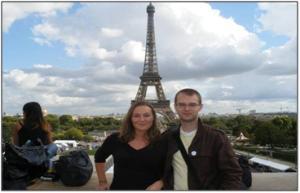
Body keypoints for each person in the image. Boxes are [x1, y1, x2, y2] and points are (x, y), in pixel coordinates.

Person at [162, 88, 242, 190]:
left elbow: (232, 174)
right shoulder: (167, 137)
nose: (186, 109)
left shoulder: (217, 138)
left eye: (192, 105)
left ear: (200, 107)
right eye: (181, 104)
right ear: (175, 107)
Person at [94, 101, 165, 190]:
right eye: (136, 116)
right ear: (130, 119)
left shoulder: (163, 141)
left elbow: (172, 168)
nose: (142, 119)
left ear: (153, 118)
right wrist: (102, 181)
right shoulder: (115, 139)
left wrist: (160, 182)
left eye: (146, 115)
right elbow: (99, 156)